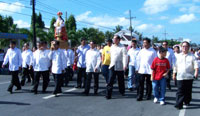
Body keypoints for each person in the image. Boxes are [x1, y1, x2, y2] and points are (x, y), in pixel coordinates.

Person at [173, 41, 199, 110]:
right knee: (180, 91)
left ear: (188, 47)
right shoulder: (178, 56)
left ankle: (187, 100)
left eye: (186, 46)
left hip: (189, 76)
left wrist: (196, 71)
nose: (184, 48)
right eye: (183, 46)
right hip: (180, 76)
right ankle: (178, 104)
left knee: (188, 91)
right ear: (181, 47)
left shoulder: (192, 56)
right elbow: (175, 66)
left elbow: (196, 64)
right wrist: (174, 74)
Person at [106, 35, 127, 99]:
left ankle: (122, 91)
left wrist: (125, 65)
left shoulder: (122, 47)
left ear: (119, 40)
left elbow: (124, 56)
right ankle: (108, 94)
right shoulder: (112, 47)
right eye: (113, 39)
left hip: (120, 65)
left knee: (120, 80)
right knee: (110, 80)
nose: (114, 40)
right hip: (112, 65)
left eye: (115, 39)